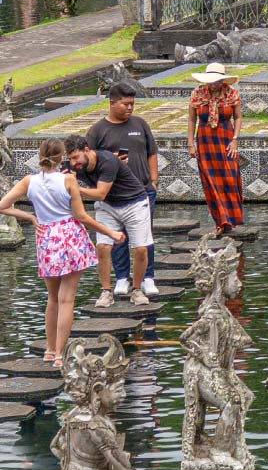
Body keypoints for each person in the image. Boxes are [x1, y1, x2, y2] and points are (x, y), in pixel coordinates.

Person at [0, 140, 124, 362]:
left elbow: (3, 205)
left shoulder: (29, 181)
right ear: (62, 158)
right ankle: (59, 354)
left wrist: (29, 217)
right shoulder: (68, 180)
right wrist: (111, 233)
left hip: (46, 238)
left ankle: (49, 350)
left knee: (52, 299)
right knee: (67, 299)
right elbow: (82, 217)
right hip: (70, 237)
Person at [86, 81, 158, 300]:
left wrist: (154, 180)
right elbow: (89, 160)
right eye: (125, 104)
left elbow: (152, 152)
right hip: (113, 195)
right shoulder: (98, 130)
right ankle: (121, 278)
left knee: (144, 239)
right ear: (112, 103)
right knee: (115, 238)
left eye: (132, 104)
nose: (130, 108)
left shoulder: (140, 124)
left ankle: (147, 277)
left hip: (143, 191)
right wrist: (111, 162)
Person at [65, 134, 153, 309]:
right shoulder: (74, 166)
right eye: (70, 159)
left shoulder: (107, 161)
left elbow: (99, 193)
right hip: (108, 206)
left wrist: (74, 187)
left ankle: (136, 288)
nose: (74, 163)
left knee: (140, 249)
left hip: (134, 202)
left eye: (76, 157)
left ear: (87, 150)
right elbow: (64, 179)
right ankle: (106, 291)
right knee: (102, 247)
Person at [187, 63, 243, 238]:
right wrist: (190, 142)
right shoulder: (197, 94)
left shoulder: (231, 93)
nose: (214, 84)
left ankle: (231, 218)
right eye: (211, 81)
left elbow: (238, 117)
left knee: (229, 178)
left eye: (217, 81)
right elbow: (191, 120)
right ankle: (220, 221)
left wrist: (235, 140)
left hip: (225, 139)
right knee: (211, 181)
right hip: (205, 140)